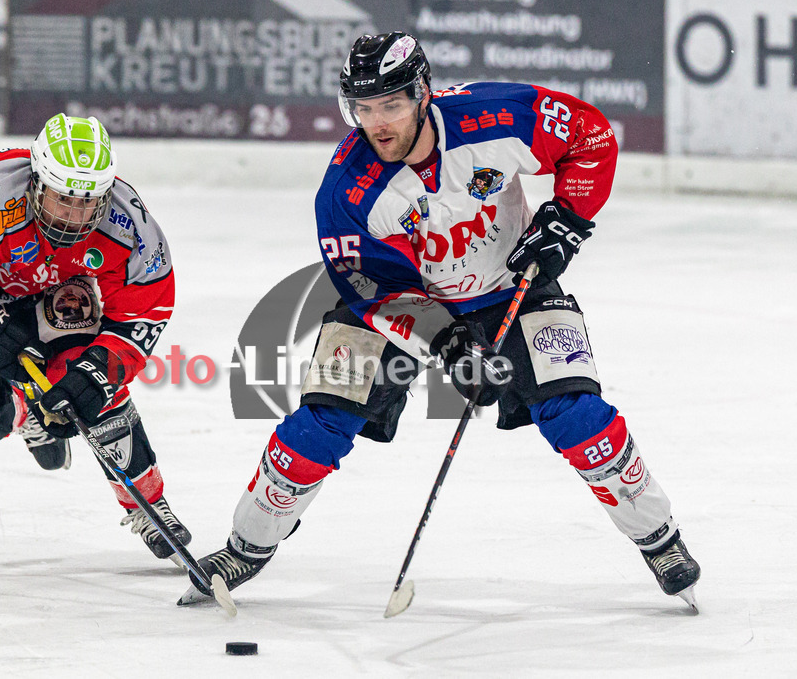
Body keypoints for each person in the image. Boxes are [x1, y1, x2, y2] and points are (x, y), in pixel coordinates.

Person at [181, 32, 700, 607]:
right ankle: (247, 545)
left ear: (422, 93)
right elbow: (375, 288)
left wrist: (568, 218)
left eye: (392, 105)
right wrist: (449, 344)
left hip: (510, 285)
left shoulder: (499, 118)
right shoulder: (346, 194)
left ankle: (659, 538)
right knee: (321, 422)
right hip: (405, 302)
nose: (377, 123)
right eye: (363, 108)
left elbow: (592, 136)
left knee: (575, 413)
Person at [0, 113, 191, 561]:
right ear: (36, 182)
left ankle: (149, 504)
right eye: (63, 199)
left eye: (88, 203)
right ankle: (23, 409)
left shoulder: (128, 223)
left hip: (55, 290)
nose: (75, 217)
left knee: (92, 379)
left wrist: (100, 370)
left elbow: (144, 312)